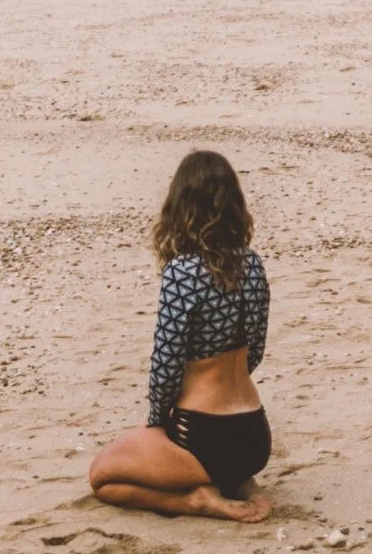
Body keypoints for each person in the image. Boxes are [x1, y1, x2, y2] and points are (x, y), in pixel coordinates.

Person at [88, 148, 272, 523]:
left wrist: (158, 421)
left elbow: (166, 362)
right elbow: (255, 349)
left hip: (202, 436)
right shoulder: (252, 263)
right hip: (254, 437)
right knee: (205, 458)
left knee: (103, 477)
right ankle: (238, 480)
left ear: (180, 206)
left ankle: (195, 501)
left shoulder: (183, 271)